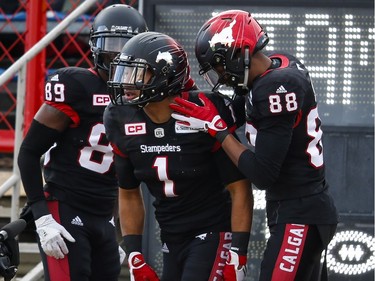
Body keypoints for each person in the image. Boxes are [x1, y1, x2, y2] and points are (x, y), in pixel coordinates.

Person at [170, 10, 339, 281]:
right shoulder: (275, 68)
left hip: (301, 212)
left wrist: (219, 131)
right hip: (297, 209)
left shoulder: (276, 87)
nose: (221, 76)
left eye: (221, 66)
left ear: (240, 54)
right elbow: (237, 110)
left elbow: (262, 174)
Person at [103, 31, 254, 281]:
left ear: (165, 74)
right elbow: (128, 192)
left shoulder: (202, 110)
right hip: (171, 237)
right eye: (125, 73)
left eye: (137, 73)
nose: (127, 83)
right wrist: (134, 256)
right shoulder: (120, 117)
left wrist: (238, 251)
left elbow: (239, 188)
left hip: (212, 232)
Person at [17, 4, 148, 281]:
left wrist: (120, 227)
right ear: (95, 45)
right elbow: (29, 152)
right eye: (110, 44)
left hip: (105, 214)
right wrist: (41, 216)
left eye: (125, 46)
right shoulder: (76, 84)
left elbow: (125, 171)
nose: (116, 54)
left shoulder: (143, 93)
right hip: (66, 206)